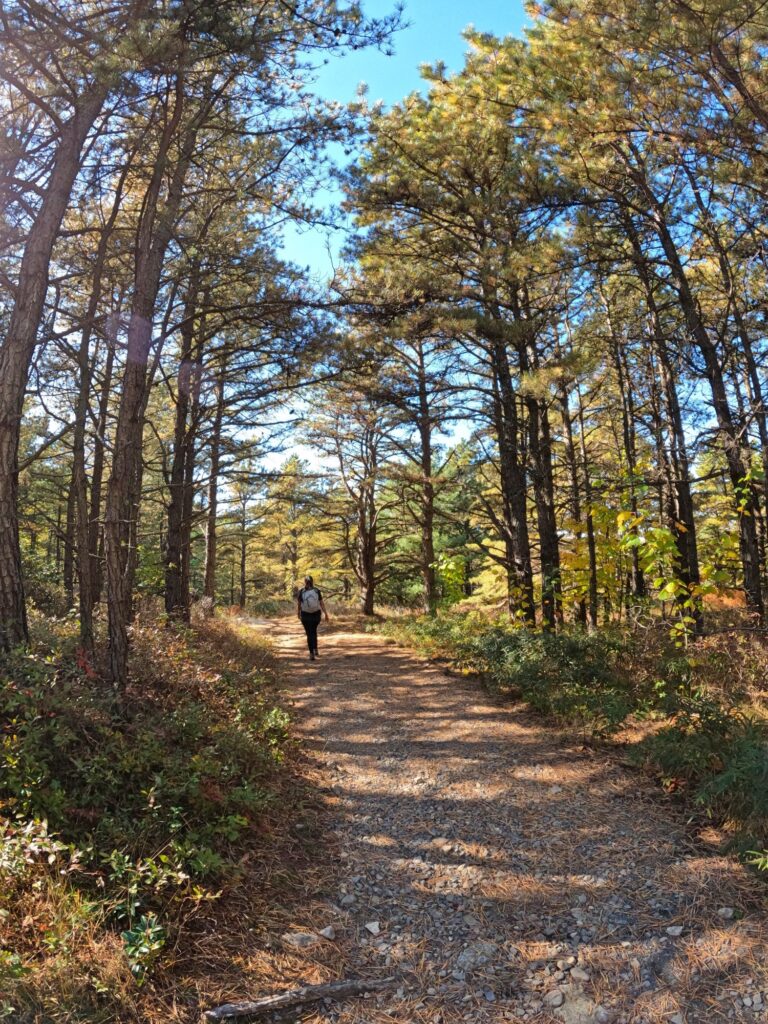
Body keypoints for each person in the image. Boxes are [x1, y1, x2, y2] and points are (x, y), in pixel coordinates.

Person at [297, 575, 329, 661]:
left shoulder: (301, 591)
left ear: (305, 582)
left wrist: (298, 613)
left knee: (309, 633)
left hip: (305, 615)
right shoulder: (316, 591)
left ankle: (311, 653)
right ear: (312, 581)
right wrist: (326, 613)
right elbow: (321, 603)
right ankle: (315, 649)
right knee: (314, 631)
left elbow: (299, 604)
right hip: (316, 614)